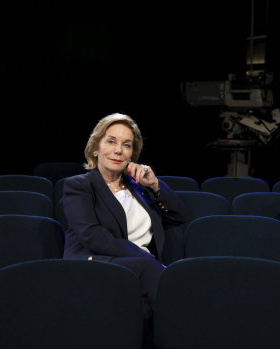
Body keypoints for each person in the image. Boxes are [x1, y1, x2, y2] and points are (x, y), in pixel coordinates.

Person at [62, 113, 187, 320]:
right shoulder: (79, 185)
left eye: (127, 145)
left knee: (142, 308)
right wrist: (146, 258)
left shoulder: (138, 187)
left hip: (143, 272)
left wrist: (155, 185)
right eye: (111, 141)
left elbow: (179, 216)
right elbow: (92, 235)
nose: (118, 150)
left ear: (132, 154)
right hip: (97, 263)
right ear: (96, 147)